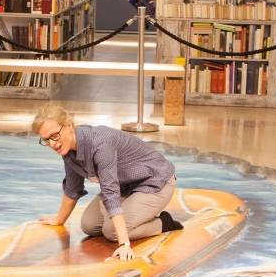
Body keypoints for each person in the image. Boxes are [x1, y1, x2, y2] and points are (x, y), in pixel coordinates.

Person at [33, 104, 182, 262]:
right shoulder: (68, 149)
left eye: (55, 136)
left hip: (154, 181)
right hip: (125, 185)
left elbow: (110, 193)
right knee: (89, 225)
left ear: (69, 125)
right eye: (46, 140)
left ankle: (162, 223)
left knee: (112, 233)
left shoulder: (100, 145)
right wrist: (59, 220)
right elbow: (73, 187)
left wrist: (124, 243)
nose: (53, 144)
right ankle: (134, 216)